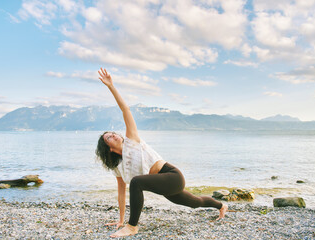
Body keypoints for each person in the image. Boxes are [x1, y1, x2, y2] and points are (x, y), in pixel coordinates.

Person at [96, 68, 228, 238]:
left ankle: (132, 227)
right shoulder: (118, 167)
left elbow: (125, 110)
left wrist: (111, 86)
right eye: (109, 137)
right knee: (195, 202)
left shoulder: (132, 140)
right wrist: (119, 220)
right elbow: (121, 193)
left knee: (136, 182)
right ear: (109, 149)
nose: (113, 135)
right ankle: (221, 206)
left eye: (112, 133)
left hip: (171, 175)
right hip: (163, 187)